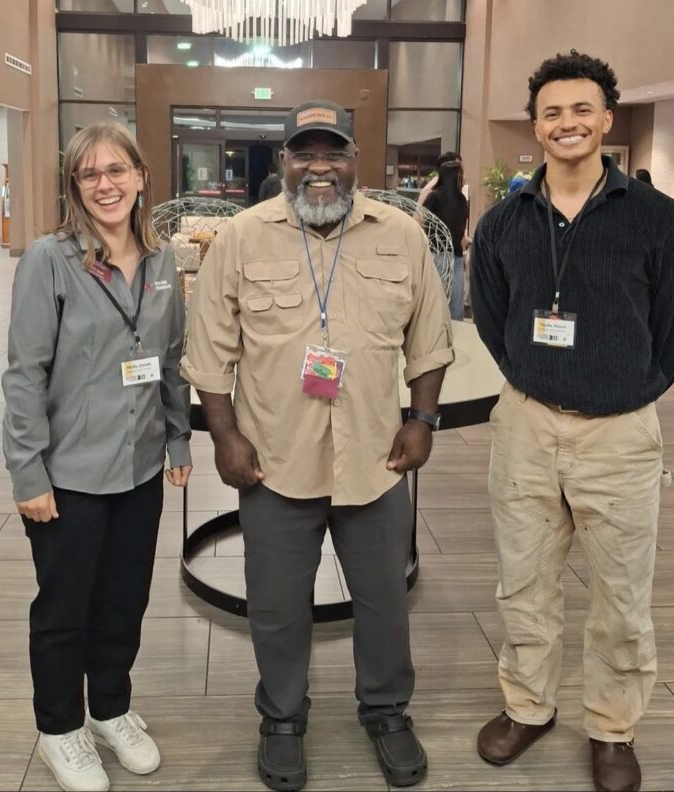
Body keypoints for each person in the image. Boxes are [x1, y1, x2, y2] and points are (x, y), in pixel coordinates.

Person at [181, 99, 454, 791]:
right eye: (305, 153)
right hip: (272, 461)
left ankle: (387, 713)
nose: (320, 166)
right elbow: (209, 351)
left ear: (357, 160)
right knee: (275, 604)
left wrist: (422, 419)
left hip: (376, 458)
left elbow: (428, 339)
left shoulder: (403, 234)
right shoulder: (240, 238)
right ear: (284, 163)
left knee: (384, 601)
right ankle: (281, 718)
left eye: (334, 152)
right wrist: (225, 437)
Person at [470, 50, 674, 792]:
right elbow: (491, 314)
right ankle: (529, 707)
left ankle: (612, 725)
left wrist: (637, 385)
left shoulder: (658, 220)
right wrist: (531, 377)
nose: (565, 123)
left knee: (621, 593)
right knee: (523, 583)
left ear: (606, 119)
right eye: (551, 112)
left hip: (622, 433)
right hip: (527, 426)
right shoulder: (506, 220)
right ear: (534, 125)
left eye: (581, 110)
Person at [2, 122, 192, 792]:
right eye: (90, 174)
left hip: (140, 470)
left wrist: (177, 438)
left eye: (117, 170)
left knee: (124, 600)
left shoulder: (165, 260)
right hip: (69, 476)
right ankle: (60, 729)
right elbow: (25, 374)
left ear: (143, 177)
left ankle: (110, 709)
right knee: (65, 609)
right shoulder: (50, 260)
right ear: (75, 186)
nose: (105, 184)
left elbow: (168, 361)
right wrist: (29, 473)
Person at [423, 160, 469, 320]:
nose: (464, 177)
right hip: (451, 255)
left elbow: (423, 224)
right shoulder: (461, 200)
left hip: (437, 254)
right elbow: (461, 231)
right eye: (462, 174)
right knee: (455, 304)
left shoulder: (433, 197)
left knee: (436, 301)